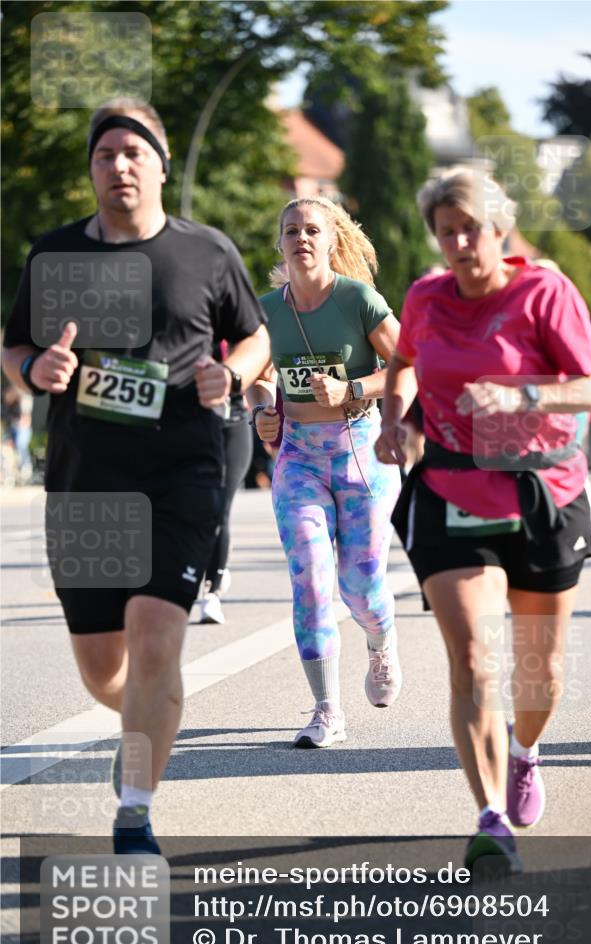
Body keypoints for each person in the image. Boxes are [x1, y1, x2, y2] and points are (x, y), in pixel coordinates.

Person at [2, 98, 270, 853]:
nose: (118, 166)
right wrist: (34, 367)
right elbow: (14, 346)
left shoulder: (206, 252)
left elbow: (253, 337)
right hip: (87, 477)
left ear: (157, 163)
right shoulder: (56, 256)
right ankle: (141, 720)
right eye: (104, 155)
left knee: (157, 638)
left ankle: (134, 809)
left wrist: (232, 373)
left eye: (132, 153)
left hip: (181, 470)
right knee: (102, 669)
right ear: (91, 169)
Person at [375, 167, 591, 873]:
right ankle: (488, 818)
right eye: (446, 232)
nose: (458, 244)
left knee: (538, 675)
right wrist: (394, 420)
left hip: (542, 491)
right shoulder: (424, 296)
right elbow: (405, 363)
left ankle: (524, 750)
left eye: (469, 229)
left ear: (498, 228)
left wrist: (522, 396)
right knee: (472, 659)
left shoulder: (544, 290)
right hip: (451, 485)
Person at [248, 196, 402, 748]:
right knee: (311, 579)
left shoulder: (358, 299)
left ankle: (380, 643)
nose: (302, 238)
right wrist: (263, 409)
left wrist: (354, 389)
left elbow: (412, 365)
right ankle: (326, 709)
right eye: (291, 230)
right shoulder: (265, 309)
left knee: (360, 588)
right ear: (280, 243)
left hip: (361, 452)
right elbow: (260, 373)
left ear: (332, 239)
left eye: (313, 229)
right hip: (298, 459)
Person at [193, 341, 254, 625]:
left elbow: (263, 361)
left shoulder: (237, 315)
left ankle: (211, 593)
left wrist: (263, 407)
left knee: (220, 505)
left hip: (233, 422)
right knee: (193, 507)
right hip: (191, 424)